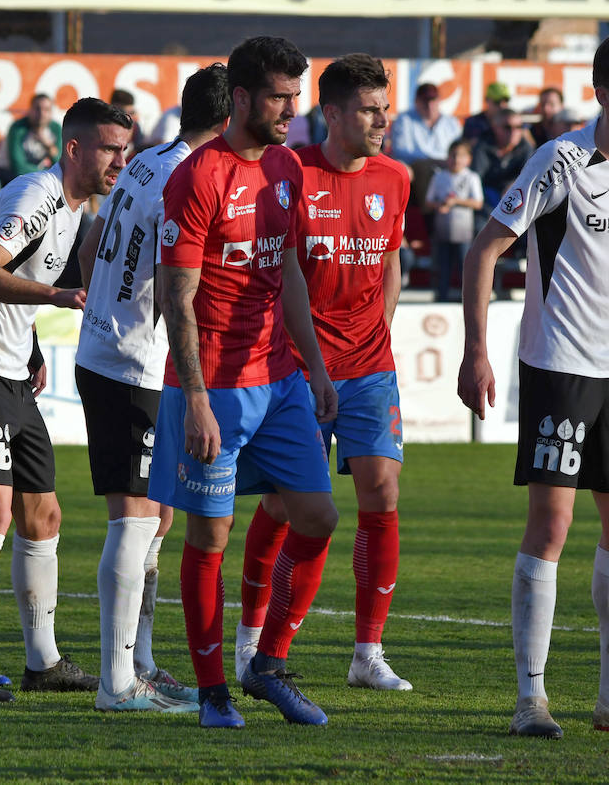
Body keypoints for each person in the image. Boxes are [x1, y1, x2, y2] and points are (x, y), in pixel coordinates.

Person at [457, 31, 609, 738]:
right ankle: (531, 698)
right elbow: (484, 249)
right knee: (552, 527)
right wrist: (479, 350)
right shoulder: (560, 160)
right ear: (605, 93)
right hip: (559, 366)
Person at [152, 36, 339, 729]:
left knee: (318, 517)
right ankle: (212, 694)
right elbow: (177, 293)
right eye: (280, 97)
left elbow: (288, 268)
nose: (293, 109)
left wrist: (315, 366)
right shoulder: (197, 176)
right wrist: (195, 395)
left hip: (281, 378)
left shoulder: (288, 165)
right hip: (214, 385)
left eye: (298, 95)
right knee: (210, 536)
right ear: (240, 99)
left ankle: (265, 663)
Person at [0, 97, 131, 704]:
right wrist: (54, 295)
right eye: (108, 149)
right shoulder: (35, 194)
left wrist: (35, 345)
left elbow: (15, 277)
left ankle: (42, 661)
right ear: (73, 148)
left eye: (125, 150)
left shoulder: (73, 207)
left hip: (13, 372)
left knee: (43, 514)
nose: (118, 162)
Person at [232, 53, 413, 695]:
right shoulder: (288, 170)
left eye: (384, 108)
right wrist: (308, 362)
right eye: (367, 109)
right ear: (330, 113)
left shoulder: (395, 177)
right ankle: (253, 640)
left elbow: (389, 259)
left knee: (381, 496)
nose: (380, 120)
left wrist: (381, 331)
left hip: (369, 364)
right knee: (284, 505)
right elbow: (279, 273)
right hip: (297, 367)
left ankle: (368, 653)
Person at [73, 66, 229, 713]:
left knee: (158, 515)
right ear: (227, 124)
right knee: (134, 516)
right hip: (132, 363)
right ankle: (115, 684)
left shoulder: (146, 161)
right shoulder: (182, 175)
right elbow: (172, 286)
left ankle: (141, 663)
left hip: (122, 352)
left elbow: (95, 243)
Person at [425, 139, 483, 302]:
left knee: (465, 267)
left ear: (468, 159)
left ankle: (467, 300)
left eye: (461, 156)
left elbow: (478, 203)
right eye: (453, 155)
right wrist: (440, 205)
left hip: (463, 232)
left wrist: (456, 201)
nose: (456, 160)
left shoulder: (471, 177)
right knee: (443, 267)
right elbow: (429, 202)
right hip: (443, 230)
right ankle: (441, 298)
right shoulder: (439, 177)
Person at [473, 109, 534, 211]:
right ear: (495, 128)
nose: (514, 131)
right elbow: (476, 179)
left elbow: (529, 177)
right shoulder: (483, 146)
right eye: (507, 127)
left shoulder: (525, 147)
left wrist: (513, 185)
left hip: (516, 198)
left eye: (519, 127)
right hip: (486, 200)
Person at [388, 82, 461, 165]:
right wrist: (430, 161)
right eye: (425, 101)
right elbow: (400, 152)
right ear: (416, 101)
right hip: (416, 168)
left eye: (433, 100)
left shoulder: (452, 122)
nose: (429, 106)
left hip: (446, 169)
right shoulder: (404, 120)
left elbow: (459, 151)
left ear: (439, 100)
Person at [4, 93, 61, 179]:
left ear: (51, 112)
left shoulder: (56, 129)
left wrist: (48, 145)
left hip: (42, 176)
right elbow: (18, 167)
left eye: (46, 109)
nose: (41, 113)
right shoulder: (17, 128)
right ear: (30, 110)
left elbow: (61, 164)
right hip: (10, 173)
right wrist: (45, 173)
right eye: (37, 109)